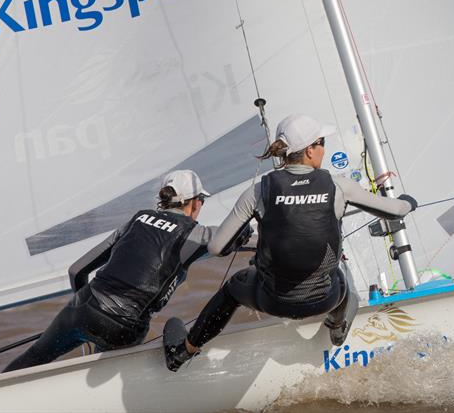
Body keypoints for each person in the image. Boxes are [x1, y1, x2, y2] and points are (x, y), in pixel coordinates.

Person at [163, 114, 416, 372]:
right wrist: (409, 201)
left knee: (232, 288)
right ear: (309, 150)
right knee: (340, 272)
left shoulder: (259, 191)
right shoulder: (338, 186)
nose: (324, 149)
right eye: (322, 143)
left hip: (272, 301)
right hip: (325, 299)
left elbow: (217, 248)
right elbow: (395, 211)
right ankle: (338, 328)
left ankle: (184, 352)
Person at [3, 170, 227, 372]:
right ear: (196, 204)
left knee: (34, 357)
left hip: (82, 308)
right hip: (124, 327)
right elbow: (234, 237)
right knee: (106, 364)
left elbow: (76, 270)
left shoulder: (137, 219)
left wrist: (86, 309)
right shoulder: (196, 234)